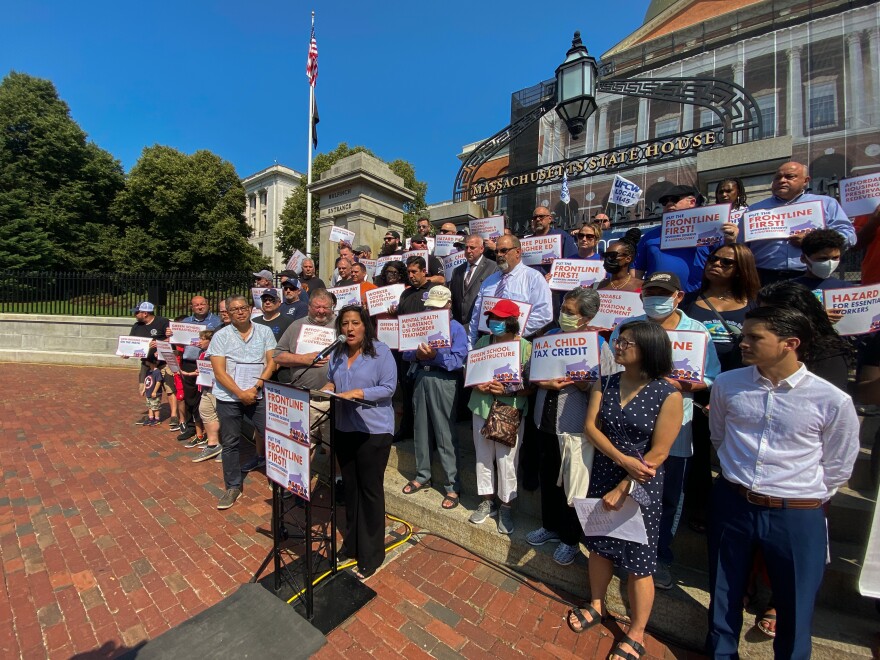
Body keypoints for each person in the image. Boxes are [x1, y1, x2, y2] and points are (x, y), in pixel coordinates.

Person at [707, 306, 859, 660]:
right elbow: (719, 436)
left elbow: (838, 465)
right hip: (733, 502)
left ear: (790, 343)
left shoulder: (831, 400)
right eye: (744, 335)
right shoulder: (729, 384)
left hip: (796, 514)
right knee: (724, 592)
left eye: (754, 337)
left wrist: (796, 494)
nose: (742, 343)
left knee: (794, 606)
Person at [568, 321, 683, 660]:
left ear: (649, 348)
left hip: (642, 483)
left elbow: (659, 453)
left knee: (639, 560)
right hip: (605, 470)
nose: (617, 346)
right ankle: (597, 604)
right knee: (599, 546)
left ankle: (636, 632)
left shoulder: (668, 393)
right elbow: (591, 427)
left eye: (626, 342)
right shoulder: (608, 381)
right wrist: (620, 460)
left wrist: (627, 480)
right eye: (619, 341)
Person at [609, 271, 721, 590]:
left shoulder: (697, 332)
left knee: (669, 497)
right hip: (629, 429)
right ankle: (623, 551)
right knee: (627, 492)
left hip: (676, 430)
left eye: (663, 292)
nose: (655, 298)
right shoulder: (627, 327)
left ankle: (658, 556)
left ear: (678, 296)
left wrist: (681, 384)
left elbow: (710, 376)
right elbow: (611, 367)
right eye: (650, 292)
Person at [526, 288, 618, 565]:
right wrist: (544, 382)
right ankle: (550, 526)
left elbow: (607, 390)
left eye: (570, 312)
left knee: (573, 486)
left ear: (587, 317)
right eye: (563, 309)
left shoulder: (599, 346)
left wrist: (581, 381)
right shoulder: (550, 338)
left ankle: (570, 539)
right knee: (548, 476)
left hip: (575, 428)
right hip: (545, 421)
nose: (563, 315)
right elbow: (532, 372)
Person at [682, 243, 760, 532]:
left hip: (743, 390)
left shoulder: (755, 305)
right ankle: (699, 506)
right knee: (698, 451)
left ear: (741, 269)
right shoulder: (689, 301)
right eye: (713, 259)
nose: (715, 264)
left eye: (726, 262)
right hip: (698, 389)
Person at [323, 305, 397, 580]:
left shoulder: (381, 352)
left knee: (370, 490)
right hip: (344, 427)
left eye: (355, 323)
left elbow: (389, 388)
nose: (350, 329)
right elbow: (331, 379)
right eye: (344, 324)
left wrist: (358, 392)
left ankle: (372, 552)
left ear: (365, 325)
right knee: (351, 489)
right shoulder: (338, 352)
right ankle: (352, 543)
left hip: (373, 431)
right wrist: (329, 388)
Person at [467, 299, 533, 535]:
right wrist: (478, 386)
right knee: (483, 456)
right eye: (492, 318)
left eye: (501, 319)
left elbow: (531, 385)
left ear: (512, 321)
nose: (495, 322)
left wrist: (508, 390)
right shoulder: (483, 341)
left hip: (509, 412)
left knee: (507, 460)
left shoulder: (525, 347)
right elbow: (470, 372)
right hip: (482, 407)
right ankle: (487, 501)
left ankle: (506, 505)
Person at [401, 286, 468, 509]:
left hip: (444, 380)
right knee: (420, 428)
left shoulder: (456, 328)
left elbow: (458, 360)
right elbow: (406, 351)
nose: (432, 310)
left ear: (449, 306)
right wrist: (418, 354)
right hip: (421, 376)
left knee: (444, 432)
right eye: (430, 306)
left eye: (437, 307)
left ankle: (452, 484)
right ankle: (423, 474)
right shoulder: (420, 322)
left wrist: (436, 356)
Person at [208, 295, 277, 510]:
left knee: (271, 436)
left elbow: (272, 362)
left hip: (257, 395)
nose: (240, 312)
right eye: (235, 309)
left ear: (250, 309)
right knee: (230, 443)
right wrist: (240, 392)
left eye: (243, 307)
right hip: (229, 398)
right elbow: (219, 372)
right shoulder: (220, 336)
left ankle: (278, 481)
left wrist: (255, 388)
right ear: (227, 313)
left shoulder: (264, 332)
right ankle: (233, 486)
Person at [746, 162, 855, 284]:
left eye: (789, 176)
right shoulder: (754, 209)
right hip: (763, 277)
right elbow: (742, 246)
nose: (782, 180)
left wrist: (813, 241)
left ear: (805, 180)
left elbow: (848, 235)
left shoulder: (827, 204)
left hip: (811, 276)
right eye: (778, 177)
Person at [633, 185, 738, 292]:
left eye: (674, 199)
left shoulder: (711, 232)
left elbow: (727, 263)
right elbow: (636, 271)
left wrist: (731, 240)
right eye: (665, 202)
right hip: (658, 299)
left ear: (692, 202)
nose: (669, 204)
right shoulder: (649, 237)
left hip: (697, 299)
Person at [468, 234, 553, 349]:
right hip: (488, 345)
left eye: (504, 251)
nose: (499, 255)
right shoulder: (489, 281)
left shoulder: (534, 278)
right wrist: (471, 346)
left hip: (518, 345)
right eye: (497, 252)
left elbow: (544, 314)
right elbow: (476, 317)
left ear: (518, 252)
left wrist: (510, 334)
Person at [126, 301, 172, 425]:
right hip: (147, 363)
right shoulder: (137, 326)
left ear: (145, 313)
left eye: (137, 312)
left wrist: (159, 343)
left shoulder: (163, 322)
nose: (135, 314)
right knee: (147, 387)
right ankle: (152, 414)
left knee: (169, 389)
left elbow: (173, 338)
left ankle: (174, 416)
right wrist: (126, 352)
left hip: (163, 362)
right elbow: (131, 343)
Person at [449, 234, 499, 334]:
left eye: (472, 248)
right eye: (466, 247)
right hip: (460, 329)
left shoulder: (493, 268)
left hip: (481, 329)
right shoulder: (457, 271)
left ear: (481, 249)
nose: (468, 251)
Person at [190, 329, 223, 463]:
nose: (200, 341)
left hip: (218, 389)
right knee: (205, 412)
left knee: (222, 416)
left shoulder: (219, 353)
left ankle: (225, 447)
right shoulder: (203, 354)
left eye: (203, 339)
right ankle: (213, 444)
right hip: (206, 388)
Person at [790, 228, 850, 294]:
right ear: (804, 258)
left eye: (835, 258)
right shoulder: (790, 289)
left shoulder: (847, 289)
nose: (830, 263)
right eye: (823, 258)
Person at [527, 205, 578, 274]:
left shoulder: (562, 236)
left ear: (550, 219)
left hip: (554, 282)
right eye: (535, 217)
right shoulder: (527, 242)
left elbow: (572, 262)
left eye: (541, 216)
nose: (537, 219)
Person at [141, 352, 164, 427]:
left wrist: (154, 391)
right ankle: (151, 419)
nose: (146, 362)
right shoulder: (148, 371)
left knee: (155, 407)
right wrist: (144, 389)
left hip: (155, 394)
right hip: (148, 392)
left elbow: (158, 382)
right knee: (150, 407)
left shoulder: (157, 372)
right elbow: (146, 381)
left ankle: (157, 419)